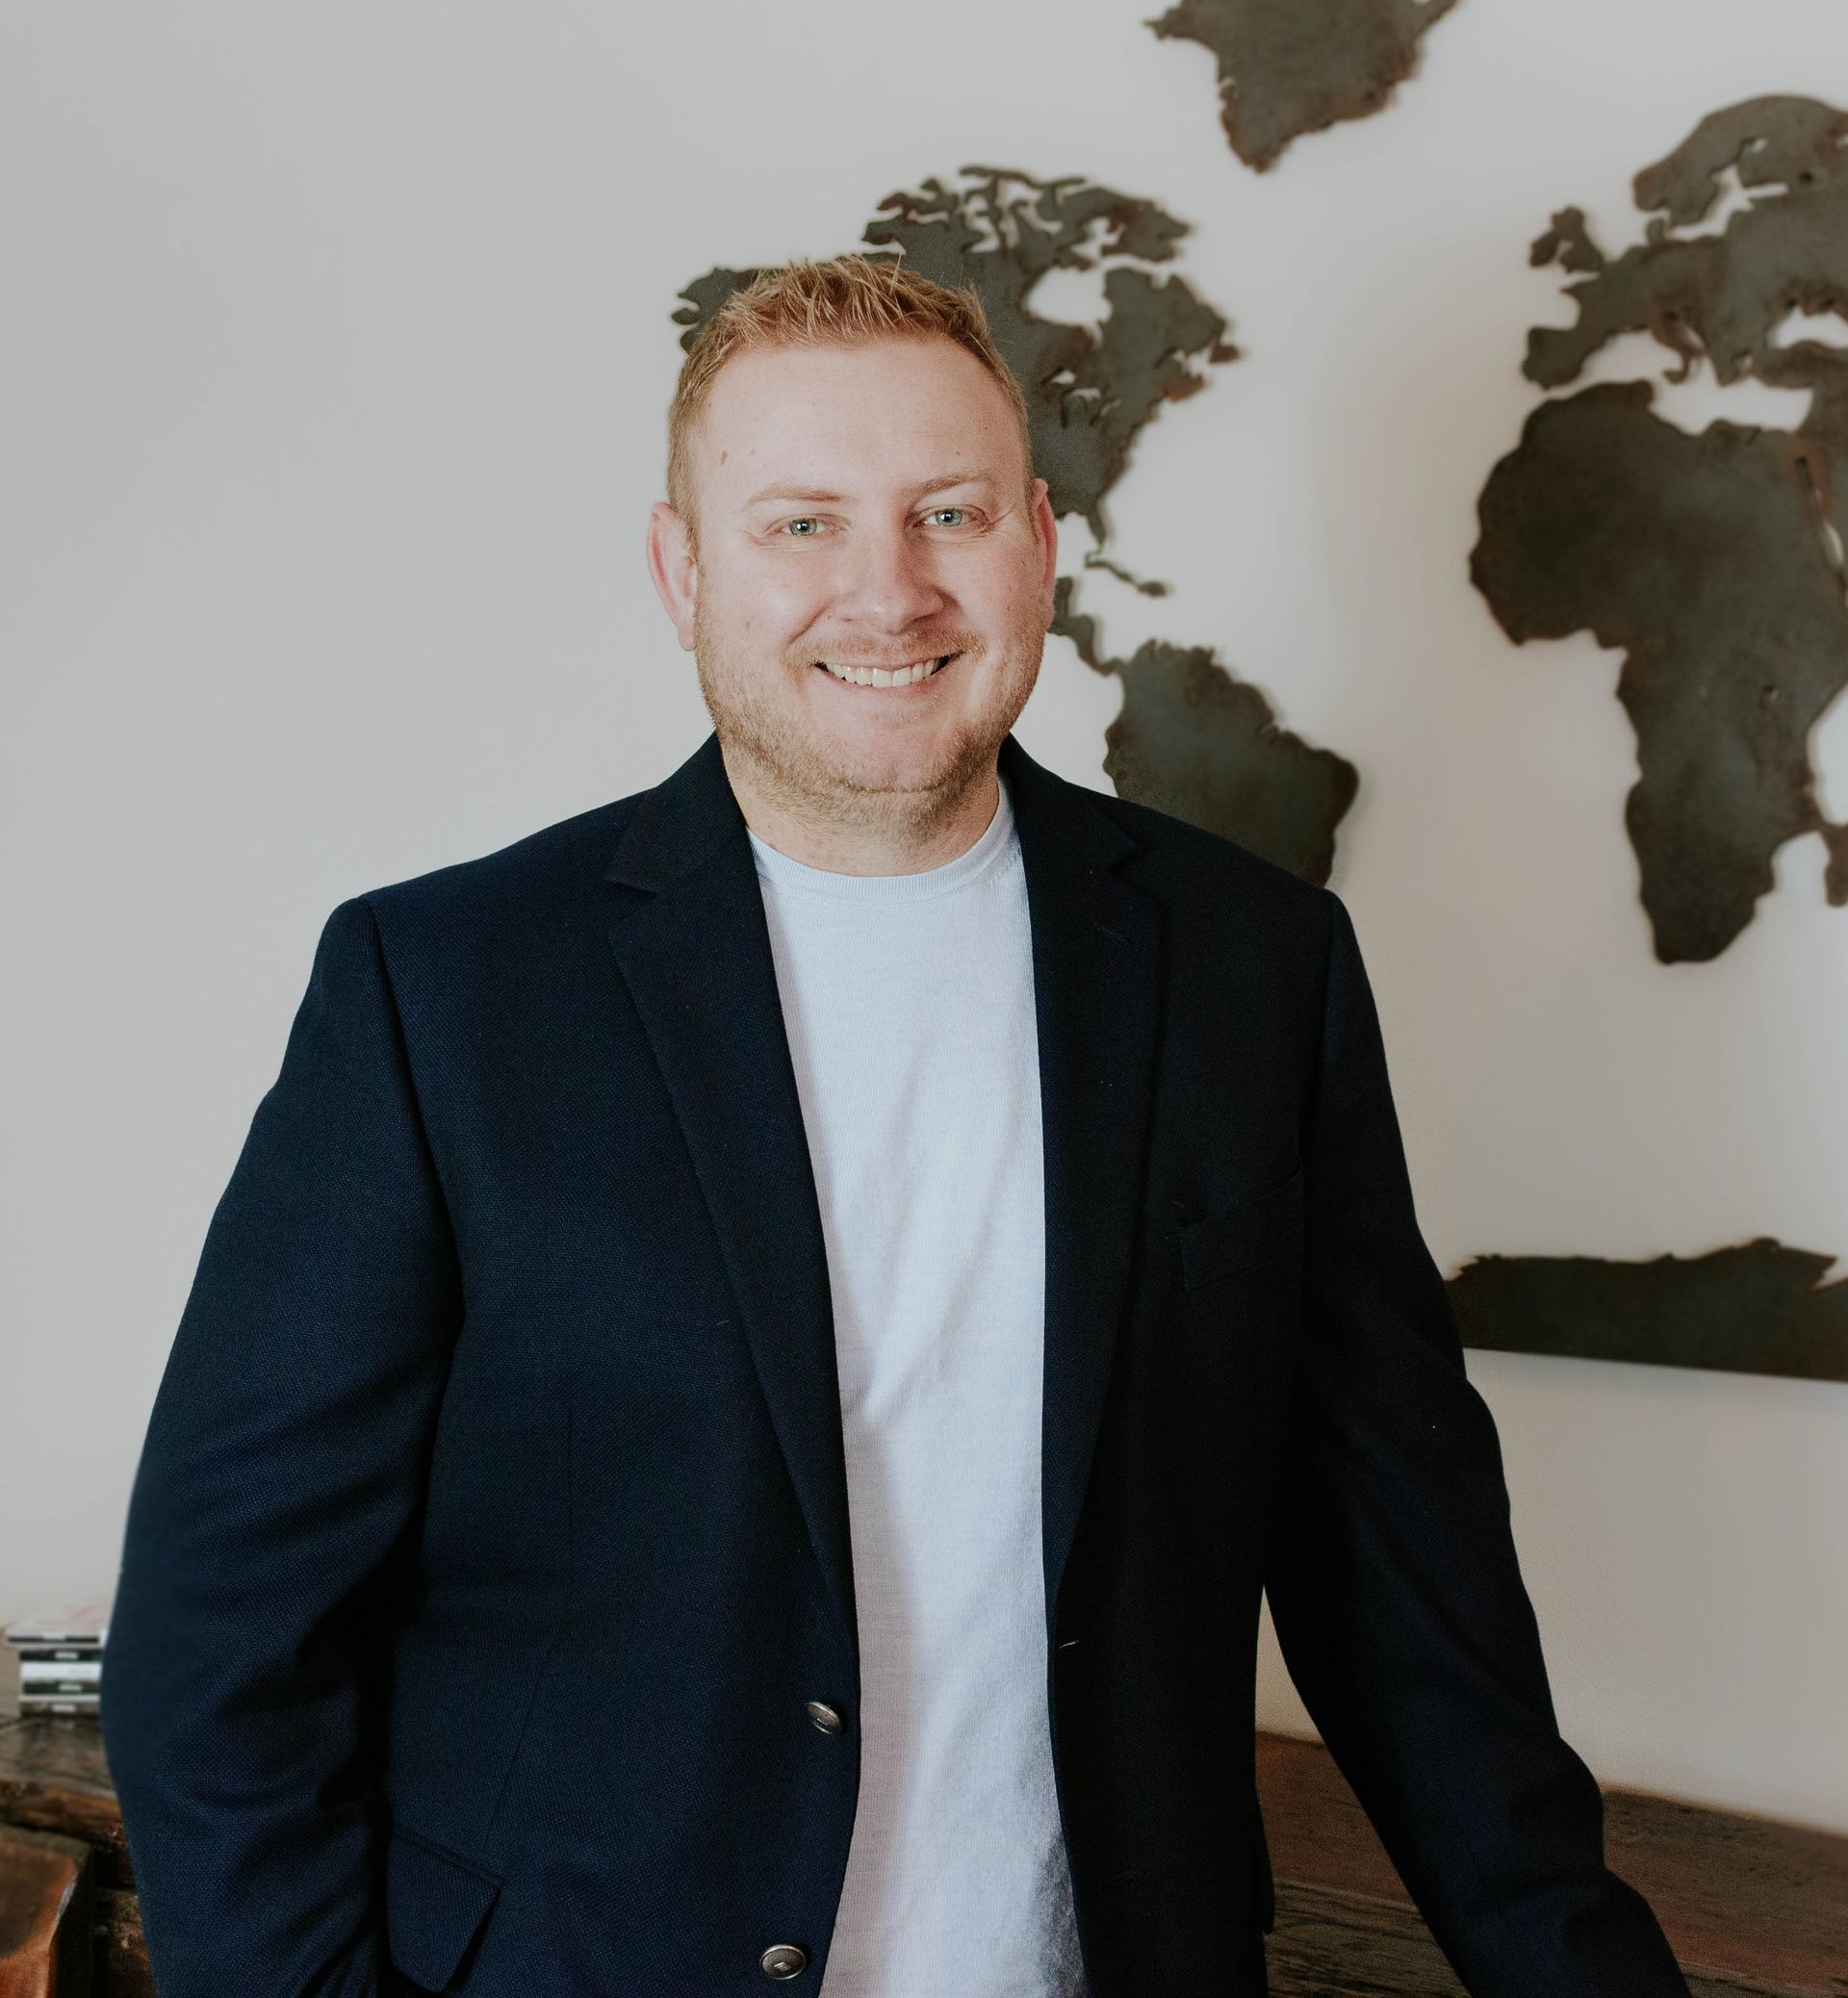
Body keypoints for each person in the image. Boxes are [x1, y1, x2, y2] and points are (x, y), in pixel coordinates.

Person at [101, 255, 1691, 1997]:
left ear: (1039, 545)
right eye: (800, 524)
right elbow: (224, 1633)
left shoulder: (1254, 971)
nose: (890, 590)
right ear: (681, 571)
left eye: (949, 510)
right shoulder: (444, 990)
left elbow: (1413, 1594)